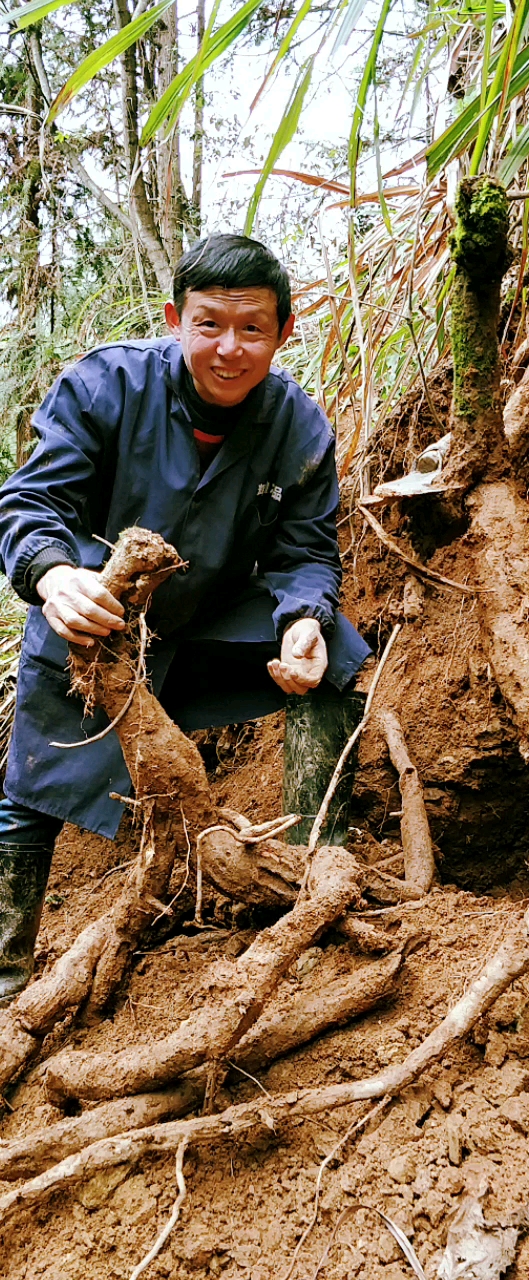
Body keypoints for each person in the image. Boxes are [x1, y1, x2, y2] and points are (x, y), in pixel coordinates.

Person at [0, 232, 371, 1002]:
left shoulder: (298, 425)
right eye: (209, 324)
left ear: (283, 331)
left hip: (208, 627)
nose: (229, 349)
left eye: (252, 328)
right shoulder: (106, 385)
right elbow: (30, 502)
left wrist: (304, 617)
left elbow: (307, 551)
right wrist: (54, 575)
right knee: (31, 794)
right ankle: (6, 982)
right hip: (95, 625)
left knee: (333, 657)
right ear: (176, 319)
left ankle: (314, 889)